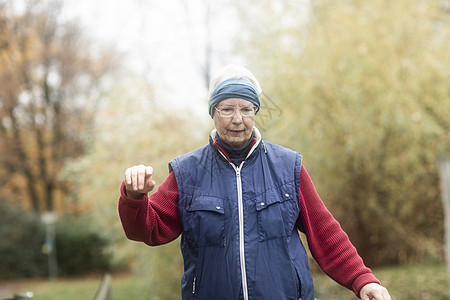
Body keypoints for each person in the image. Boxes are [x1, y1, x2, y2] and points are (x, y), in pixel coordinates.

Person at [118, 65, 392, 300]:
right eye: (227, 109)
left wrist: (363, 279)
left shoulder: (288, 166)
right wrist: (133, 197)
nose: (237, 119)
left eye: (246, 109)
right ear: (213, 112)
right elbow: (148, 230)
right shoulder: (187, 172)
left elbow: (324, 231)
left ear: (255, 112)